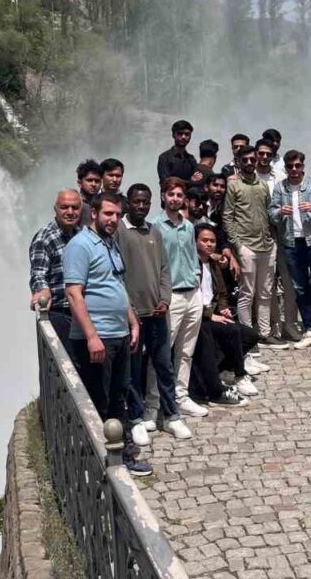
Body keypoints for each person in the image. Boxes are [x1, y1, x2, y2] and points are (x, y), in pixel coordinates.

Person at [63, 192, 151, 477]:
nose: (113, 220)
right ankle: (97, 463)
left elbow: (117, 284)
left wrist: (133, 321)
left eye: (116, 215)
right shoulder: (80, 245)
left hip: (119, 334)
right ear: (94, 214)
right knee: (98, 401)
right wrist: (91, 337)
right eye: (108, 214)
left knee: (118, 396)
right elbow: (74, 293)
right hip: (97, 338)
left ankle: (120, 456)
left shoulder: (110, 243)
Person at [117, 183, 190, 445]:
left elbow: (164, 268)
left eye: (145, 202)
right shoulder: (119, 232)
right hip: (133, 315)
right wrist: (129, 308)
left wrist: (165, 298)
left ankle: (171, 415)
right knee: (134, 369)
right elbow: (117, 275)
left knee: (164, 365)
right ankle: (136, 418)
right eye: (137, 201)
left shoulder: (154, 231)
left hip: (158, 312)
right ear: (128, 202)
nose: (141, 206)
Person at [269, 149, 311, 349]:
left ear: (303, 166)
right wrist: (280, 211)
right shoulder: (281, 188)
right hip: (291, 243)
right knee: (300, 288)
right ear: (286, 168)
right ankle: (310, 328)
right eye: (290, 166)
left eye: (298, 165)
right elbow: (271, 212)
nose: (294, 170)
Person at [153, 177, 208, 419]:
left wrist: (197, 279)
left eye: (179, 195)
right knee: (163, 353)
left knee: (186, 350)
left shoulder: (188, 226)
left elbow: (192, 256)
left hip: (192, 293)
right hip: (172, 296)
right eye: (171, 194)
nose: (175, 199)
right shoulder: (155, 227)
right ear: (163, 196)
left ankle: (181, 395)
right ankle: (153, 403)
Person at [187, 224, 257, 406]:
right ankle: (237, 376)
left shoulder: (213, 263)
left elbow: (221, 293)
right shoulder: (190, 263)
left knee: (250, 335)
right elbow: (191, 297)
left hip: (214, 312)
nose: (209, 244)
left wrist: (223, 309)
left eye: (212, 241)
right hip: (198, 316)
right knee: (228, 331)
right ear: (195, 242)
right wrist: (210, 315)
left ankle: (225, 369)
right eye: (204, 240)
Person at [223, 145, 276, 341]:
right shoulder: (233, 185)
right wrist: (238, 245)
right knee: (247, 293)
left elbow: (270, 213)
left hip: (267, 245)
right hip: (246, 245)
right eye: (244, 160)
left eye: (251, 160)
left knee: (265, 293)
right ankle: (247, 336)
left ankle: (264, 332)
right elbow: (227, 217)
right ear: (238, 162)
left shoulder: (262, 185)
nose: (248, 163)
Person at [257, 137, 301, 343]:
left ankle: (290, 324)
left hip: (283, 236)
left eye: (268, 154)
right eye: (261, 153)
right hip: (258, 237)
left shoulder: (282, 177)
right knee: (266, 285)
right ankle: (270, 326)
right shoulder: (244, 177)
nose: (265, 157)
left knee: (289, 283)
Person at [29, 189, 83, 346]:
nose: (70, 212)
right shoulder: (44, 238)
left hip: (82, 312)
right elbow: (38, 274)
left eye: (75, 207)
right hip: (60, 313)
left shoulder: (82, 235)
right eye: (65, 207)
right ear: (55, 209)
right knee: (66, 364)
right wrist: (42, 290)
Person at [157, 119, 197, 184]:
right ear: (173, 135)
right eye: (180, 134)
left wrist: (176, 180)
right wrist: (190, 181)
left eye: (187, 134)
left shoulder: (191, 159)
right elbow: (166, 182)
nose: (183, 137)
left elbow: (197, 181)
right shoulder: (165, 157)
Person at [76, 160, 104, 227]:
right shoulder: (75, 204)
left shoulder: (102, 204)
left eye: (97, 181)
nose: (93, 184)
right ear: (79, 183)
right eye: (89, 180)